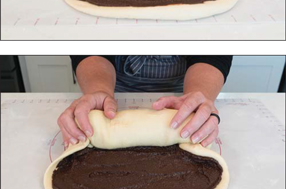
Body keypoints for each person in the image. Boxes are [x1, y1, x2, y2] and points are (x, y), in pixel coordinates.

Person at [57, 55, 232, 149]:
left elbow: (214, 49)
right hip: (110, 91)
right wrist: (98, 90)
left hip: (182, 97)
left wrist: (199, 95)